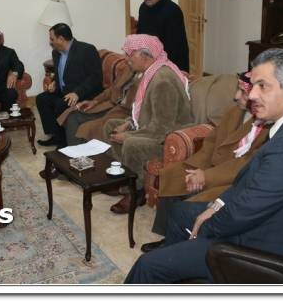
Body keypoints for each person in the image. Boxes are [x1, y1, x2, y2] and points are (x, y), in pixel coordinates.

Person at [125, 48, 283, 284]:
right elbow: (252, 184)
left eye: (262, 86)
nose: (251, 95)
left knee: (148, 266)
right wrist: (217, 205)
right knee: (182, 213)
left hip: (253, 248)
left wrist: (204, 226)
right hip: (252, 221)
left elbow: (244, 211)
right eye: (252, 86)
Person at [140, 70, 270, 253]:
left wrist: (206, 176)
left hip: (231, 180)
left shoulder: (267, 126)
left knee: (189, 202)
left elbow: (246, 164)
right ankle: (168, 237)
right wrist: (196, 167)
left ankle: (181, 244)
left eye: (242, 92)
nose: (235, 96)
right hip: (211, 167)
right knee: (173, 174)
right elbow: (211, 142)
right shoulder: (235, 112)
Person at [103, 34, 192, 214]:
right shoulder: (151, 73)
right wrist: (128, 124)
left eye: (130, 54)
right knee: (110, 126)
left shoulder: (163, 80)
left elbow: (162, 129)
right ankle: (122, 179)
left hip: (169, 140)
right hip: (155, 129)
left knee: (131, 143)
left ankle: (135, 192)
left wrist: (128, 135)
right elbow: (146, 112)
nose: (126, 59)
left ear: (145, 55)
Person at [36, 23, 103, 158]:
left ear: (61, 39)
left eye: (52, 39)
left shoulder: (87, 50)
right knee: (42, 99)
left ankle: (64, 142)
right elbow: (60, 72)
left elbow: (96, 77)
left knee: (60, 104)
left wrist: (77, 93)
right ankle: (56, 135)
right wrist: (55, 82)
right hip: (65, 91)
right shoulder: (56, 52)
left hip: (83, 93)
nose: (50, 42)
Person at [57, 60, 140, 145]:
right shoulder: (128, 69)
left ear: (144, 57)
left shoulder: (146, 80)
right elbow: (112, 89)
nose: (127, 59)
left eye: (131, 55)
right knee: (72, 116)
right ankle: (72, 151)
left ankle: (82, 151)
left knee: (86, 128)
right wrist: (95, 101)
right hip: (109, 105)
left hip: (124, 113)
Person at [137, 0, 189, 72]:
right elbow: (140, 33)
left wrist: (162, 65)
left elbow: (175, 44)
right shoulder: (143, 8)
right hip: (149, 60)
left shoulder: (172, 10)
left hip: (171, 62)